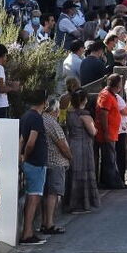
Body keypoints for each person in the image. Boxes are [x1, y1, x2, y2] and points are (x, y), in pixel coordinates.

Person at [19, 91, 50, 245]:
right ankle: (27, 233)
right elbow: (31, 141)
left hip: (30, 162)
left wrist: (21, 156)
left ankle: (28, 231)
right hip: (36, 163)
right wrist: (26, 155)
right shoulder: (36, 118)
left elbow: (22, 139)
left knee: (32, 196)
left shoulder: (26, 116)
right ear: (44, 102)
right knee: (34, 197)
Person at [65, 90, 101, 214]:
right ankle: (81, 204)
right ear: (84, 100)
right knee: (84, 173)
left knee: (74, 174)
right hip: (83, 146)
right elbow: (93, 131)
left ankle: (71, 203)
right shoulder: (85, 115)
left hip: (72, 144)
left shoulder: (70, 113)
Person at [41, 99, 72, 235]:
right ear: (55, 110)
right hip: (55, 162)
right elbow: (62, 144)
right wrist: (71, 157)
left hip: (46, 162)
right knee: (53, 194)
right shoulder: (51, 122)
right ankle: (49, 224)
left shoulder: (42, 119)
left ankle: (45, 222)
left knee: (47, 194)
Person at [95, 75, 127, 189]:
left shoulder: (109, 95)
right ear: (117, 85)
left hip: (112, 132)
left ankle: (112, 181)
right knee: (109, 158)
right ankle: (112, 183)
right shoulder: (106, 95)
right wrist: (106, 131)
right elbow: (103, 114)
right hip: (108, 133)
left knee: (110, 157)